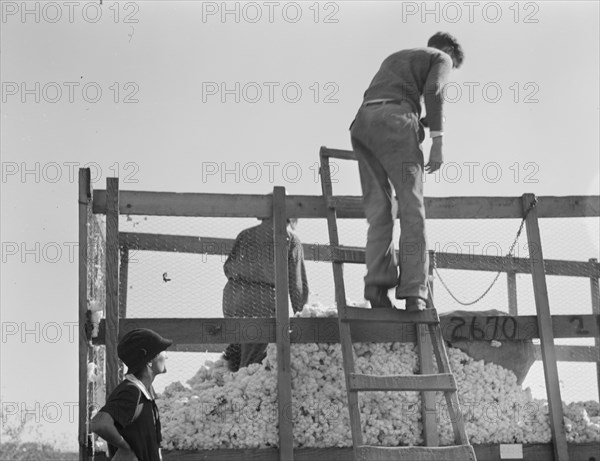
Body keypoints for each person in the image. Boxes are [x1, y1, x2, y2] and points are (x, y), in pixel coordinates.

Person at [349, 32, 464, 311]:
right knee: (412, 210)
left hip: (363, 123)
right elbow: (434, 91)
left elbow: (389, 98)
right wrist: (438, 140)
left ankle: (376, 288)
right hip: (397, 121)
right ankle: (414, 292)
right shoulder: (442, 57)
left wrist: (419, 120)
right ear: (448, 49)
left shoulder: (397, 57)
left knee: (380, 211)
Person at [222, 216, 309, 371]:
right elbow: (297, 283)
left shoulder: (245, 234)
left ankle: (230, 386)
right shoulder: (290, 239)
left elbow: (228, 266)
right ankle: (244, 390)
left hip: (234, 298)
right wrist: (302, 316)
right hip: (262, 302)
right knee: (253, 361)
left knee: (238, 351)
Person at [90, 328, 173, 461]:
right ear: (149, 360)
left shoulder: (143, 394)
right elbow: (99, 423)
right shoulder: (131, 392)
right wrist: (125, 448)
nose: (166, 356)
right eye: (161, 351)